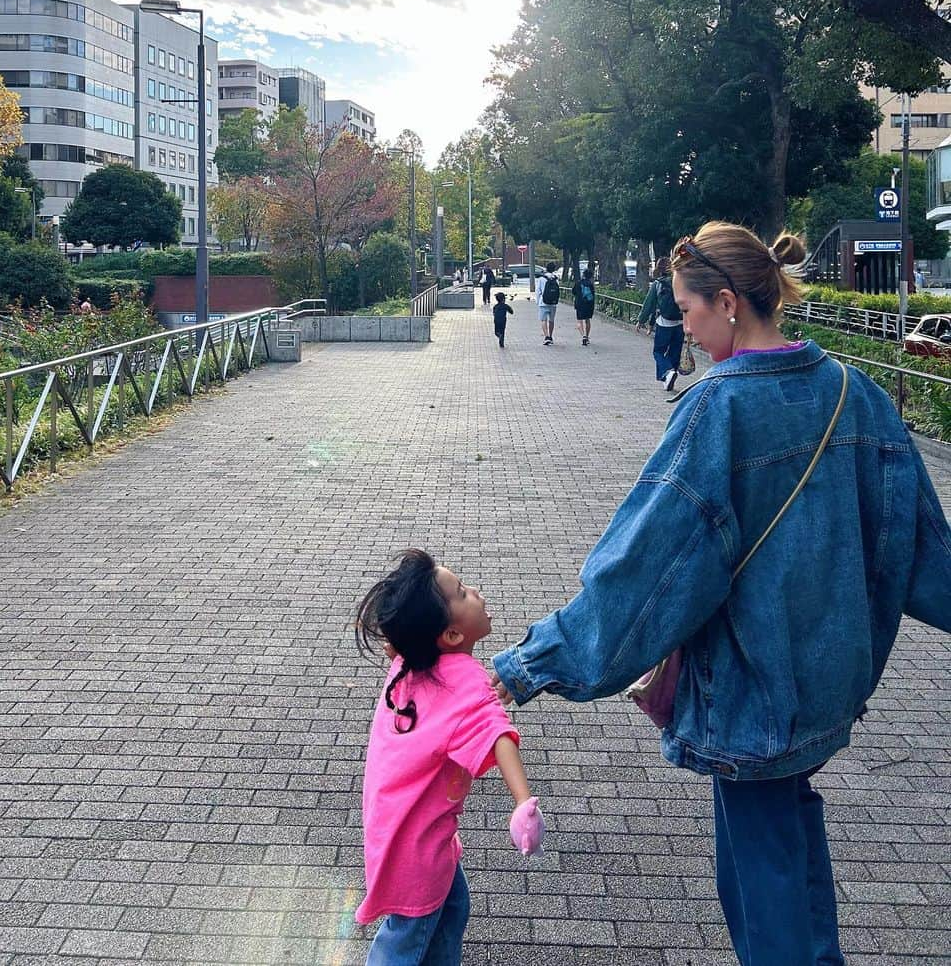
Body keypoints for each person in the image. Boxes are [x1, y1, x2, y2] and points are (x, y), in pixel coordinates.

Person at [490, 221, 951, 966]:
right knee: (796, 845)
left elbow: (642, 576)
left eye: (690, 311)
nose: (686, 329)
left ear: (729, 302)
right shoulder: (853, 393)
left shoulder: (718, 410)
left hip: (750, 695)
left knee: (763, 886)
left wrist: (526, 665)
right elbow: (923, 550)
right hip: (826, 686)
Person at [355, 550, 545, 964]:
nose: (475, 591)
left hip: (403, 827)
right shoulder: (466, 682)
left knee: (453, 907)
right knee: (404, 942)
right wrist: (523, 804)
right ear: (453, 636)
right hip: (418, 849)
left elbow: (397, 648)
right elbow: (498, 735)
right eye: (462, 592)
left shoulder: (412, 660)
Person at [637, 255, 684, 390]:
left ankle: (668, 372)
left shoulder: (658, 284)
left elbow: (649, 304)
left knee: (658, 351)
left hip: (664, 322)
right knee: (675, 352)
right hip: (680, 322)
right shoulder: (680, 282)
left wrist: (641, 320)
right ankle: (668, 379)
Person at [535, 261, 561, 345]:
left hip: (543, 302)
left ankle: (546, 337)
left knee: (543, 320)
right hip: (553, 303)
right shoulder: (556, 279)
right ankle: (550, 336)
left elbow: (538, 291)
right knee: (551, 320)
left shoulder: (541, 279)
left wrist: (538, 301)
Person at [573, 267, 596, 345]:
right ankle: (587, 335)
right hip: (589, 305)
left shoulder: (579, 283)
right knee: (587, 320)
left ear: (583, 275)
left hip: (579, 304)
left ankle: (583, 336)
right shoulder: (591, 284)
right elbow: (593, 295)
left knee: (579, 321)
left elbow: (573, 292)